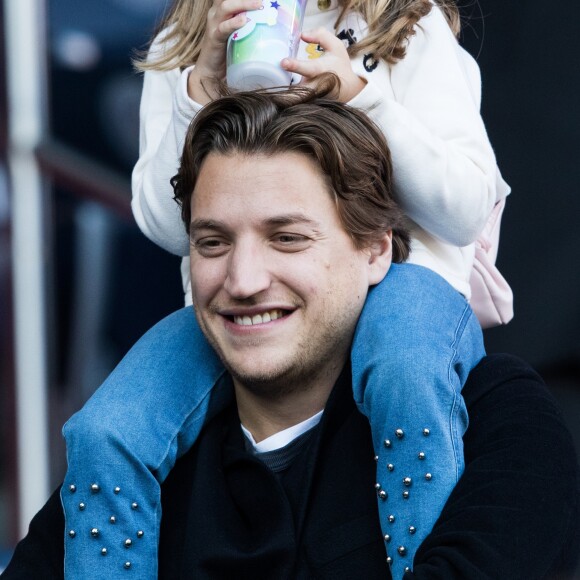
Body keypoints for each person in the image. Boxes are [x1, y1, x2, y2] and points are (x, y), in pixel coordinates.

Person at [3, 88, 578, 580]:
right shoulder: (131, 460)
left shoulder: (496, 419)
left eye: (287, 238)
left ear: (376, 249)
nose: (243, 280)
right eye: (213, 243)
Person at [62, 0, 514, 577]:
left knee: (404, 370)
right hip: (248, 313)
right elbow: (169, 225)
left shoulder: (403, 21)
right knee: (105, 432)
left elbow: (466, 208)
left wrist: (363, 95)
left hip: (407, 286)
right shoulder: (189, 34)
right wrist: (199, 87)